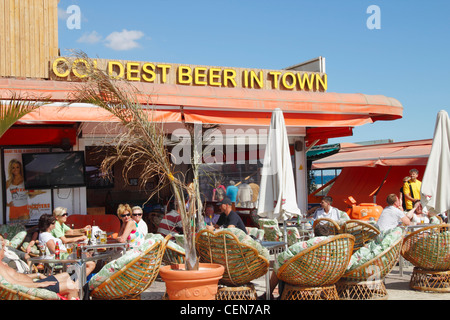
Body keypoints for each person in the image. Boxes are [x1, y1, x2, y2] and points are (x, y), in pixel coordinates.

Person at [0, 237, 80, 300]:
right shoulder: (1, 267)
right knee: (72, 286)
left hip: (34, 283)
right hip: (33, 288)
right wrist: (39, 284)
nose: (4, 249)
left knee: (69, 275)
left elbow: (17, 277)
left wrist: (38, 275)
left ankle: (81, 294)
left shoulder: (2, 264)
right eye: (2, 248)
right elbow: (14, 283)